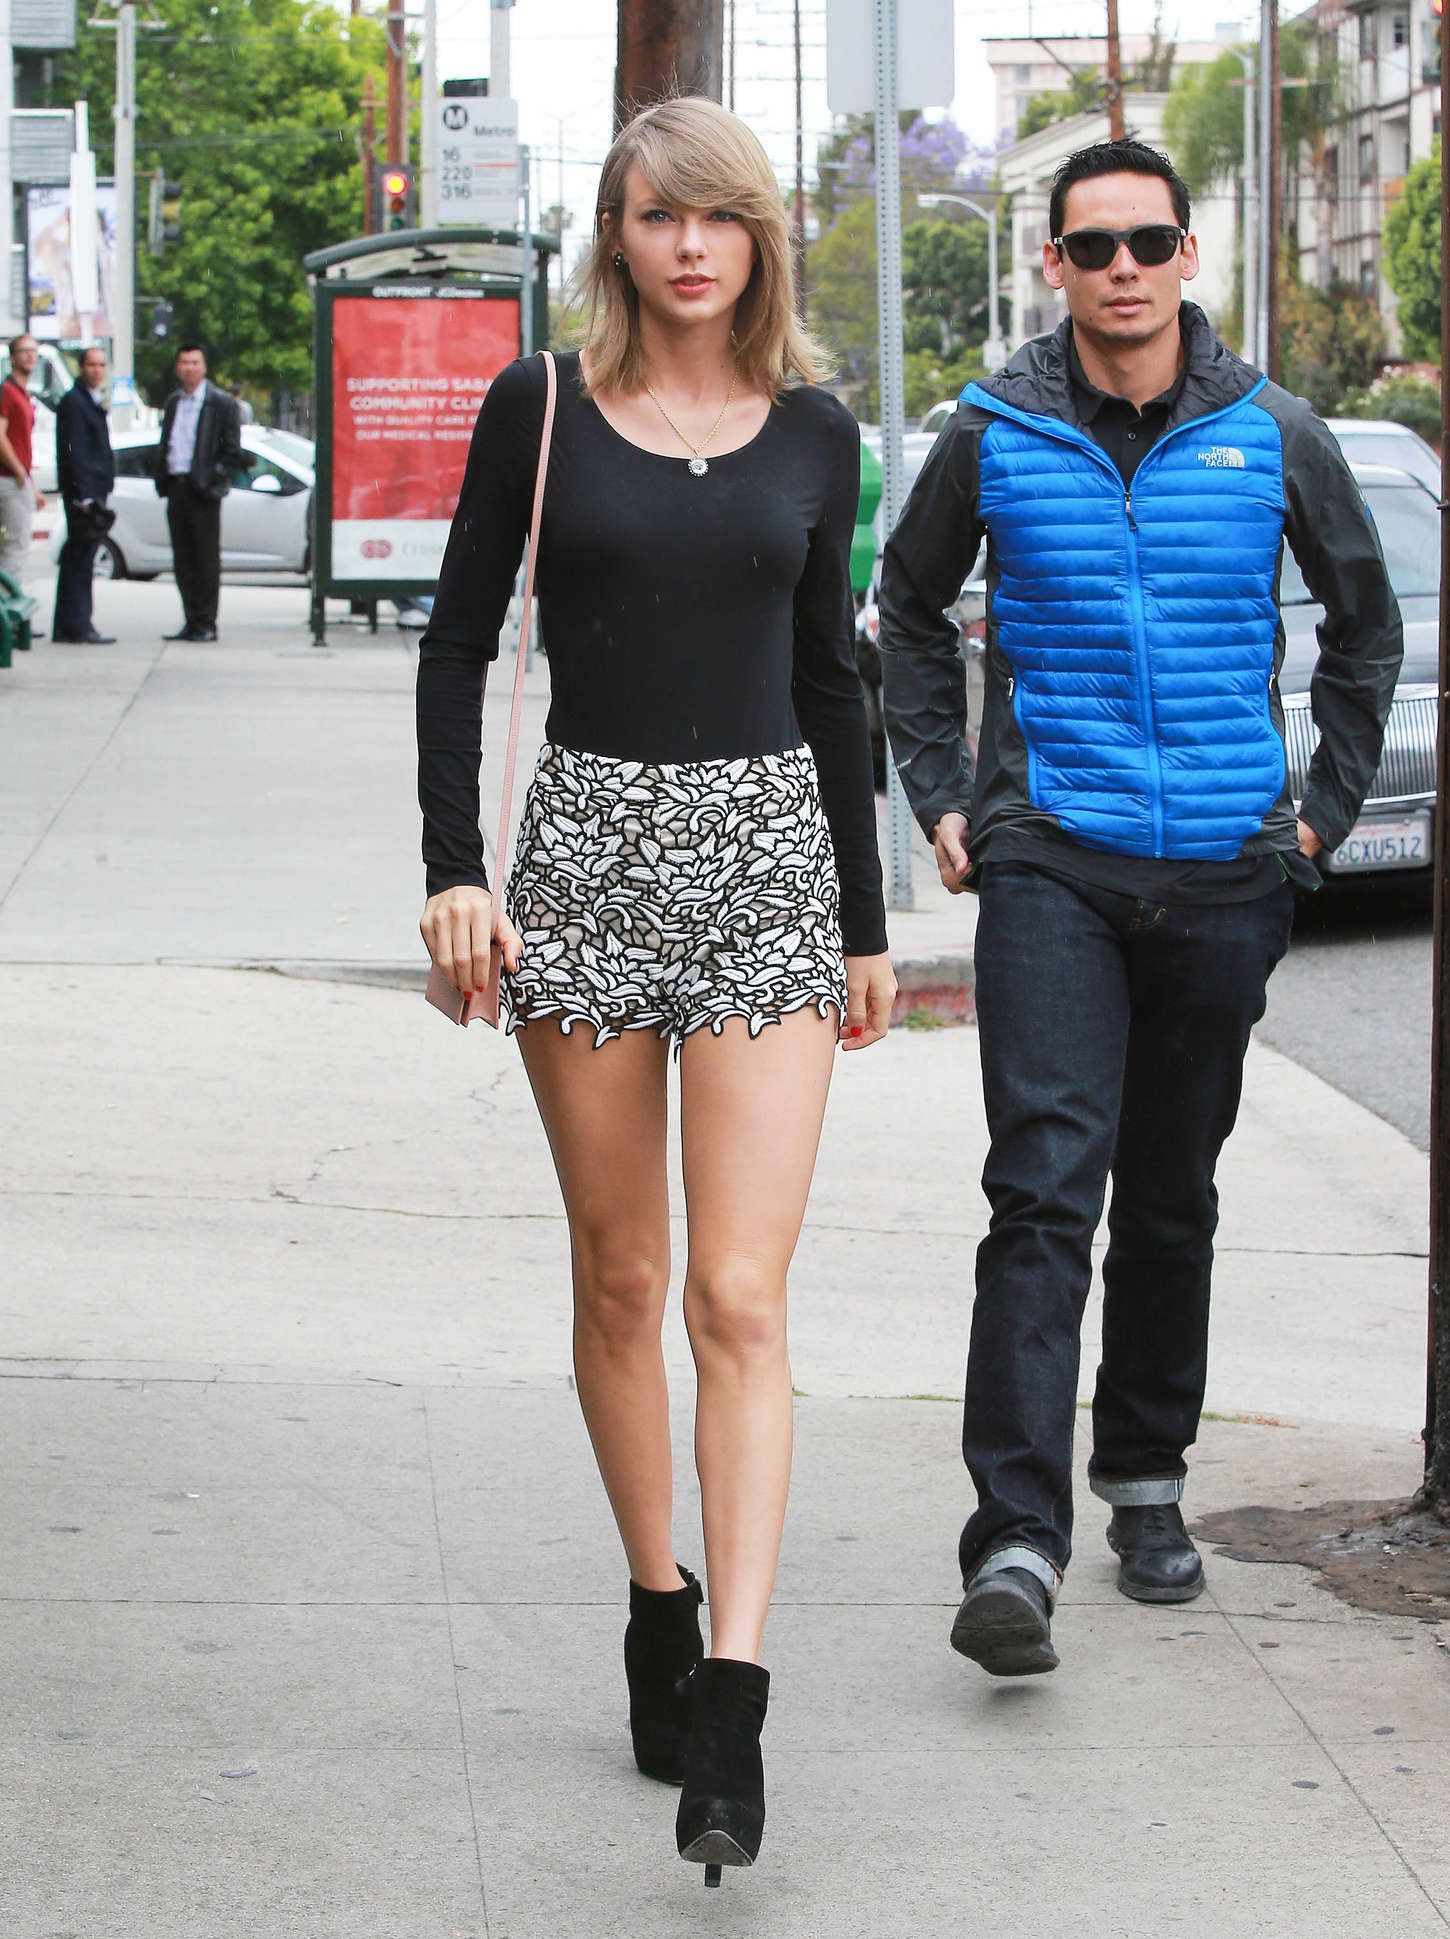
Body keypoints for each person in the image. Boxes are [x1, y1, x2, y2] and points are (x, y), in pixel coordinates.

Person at [417, 97, 894, 1881]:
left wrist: (864, 920)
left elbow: (831, 680)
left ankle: (735, 1701)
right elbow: (458, 638)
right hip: (588, 861)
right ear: (613, 237)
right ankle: (654, 1599)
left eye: (719, 215)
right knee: (623, 1273)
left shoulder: (820, 431)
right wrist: (454, 867)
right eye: (654, 215)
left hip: (767, 863)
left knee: (739, 1291)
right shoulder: (538, 406)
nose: (690, 246)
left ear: (760, 236)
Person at [879, 138, 1402, 1677]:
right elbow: (902, 608)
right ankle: (1013, 1540)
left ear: (1185, 256)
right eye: (1092, 245)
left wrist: (1317, 814)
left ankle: (1146, 1478)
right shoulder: (992, 431)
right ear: (1052, 264)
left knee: (1170, 1189)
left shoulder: (1272, 430)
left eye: (1147, 242)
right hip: (1053, 854)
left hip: (1227, 870)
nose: (1122, 268)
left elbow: (1362, 627)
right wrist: (943, 792)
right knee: (1044, 1187)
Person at [153, 342, 243, 641]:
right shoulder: (174, 402)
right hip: (176, 486)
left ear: (204, 367)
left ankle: (206, 622)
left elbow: (232, 451)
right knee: (183, 560)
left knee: (205, 559)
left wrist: (214, 479)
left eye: (194, 363)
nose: (189, 368)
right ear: (177, 367)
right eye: (184, 363)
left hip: (202, 490)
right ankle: (191, 619)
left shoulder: (221, 403)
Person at [51, 345, 116, 646]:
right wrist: (84, 495)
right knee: (79, 561)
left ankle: (70, 624)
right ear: (82, 367)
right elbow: (74, 451)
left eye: (102, 365)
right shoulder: (74, 402)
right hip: (83, 496)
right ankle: (76, 624)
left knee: (80, 560)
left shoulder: (90, 400)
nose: (97, 370)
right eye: (92, 365)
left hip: (93, 490)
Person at [0, 333, 46, 587]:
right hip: (8, 479)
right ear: (12, 358)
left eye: (33, 351)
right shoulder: (7, 391)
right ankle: (8, 602)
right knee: (16, 546)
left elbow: (22, 444)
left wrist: (31, 485)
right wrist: (19, 473)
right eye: (24, 351)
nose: (30, 356)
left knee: (11, 546)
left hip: (17, 478)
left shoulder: (23, 393)